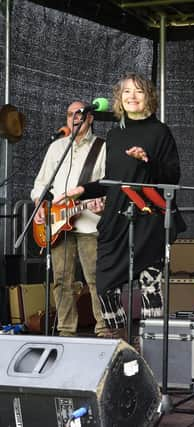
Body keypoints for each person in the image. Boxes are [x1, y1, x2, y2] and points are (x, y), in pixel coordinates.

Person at [54, 73, 185, 339]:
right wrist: (83, 190)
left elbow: (172, 176)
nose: (132, 97)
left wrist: (147, 160)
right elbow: (112, 181)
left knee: (150, 287)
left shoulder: (160, 132)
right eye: (126, 92)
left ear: (149, 97)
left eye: (138, 92)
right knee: (104, 285)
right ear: (119, 99)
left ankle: (150, 349)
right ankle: (119, 343)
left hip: (149, 219)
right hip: (116, 219)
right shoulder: (114, 134)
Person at [31, 101, 108, 337]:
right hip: (57, 223)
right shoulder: (57, 147)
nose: (74, 118)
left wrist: (101, 203)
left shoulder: (102, 147)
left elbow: (107, 184)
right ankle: (66, 331)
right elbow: (41, 184)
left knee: (95, 280)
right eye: (70, 114)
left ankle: (104, 330)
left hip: (89, 222)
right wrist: (39, 205)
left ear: (90, 118)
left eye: (79, 114)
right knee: (61, 281)